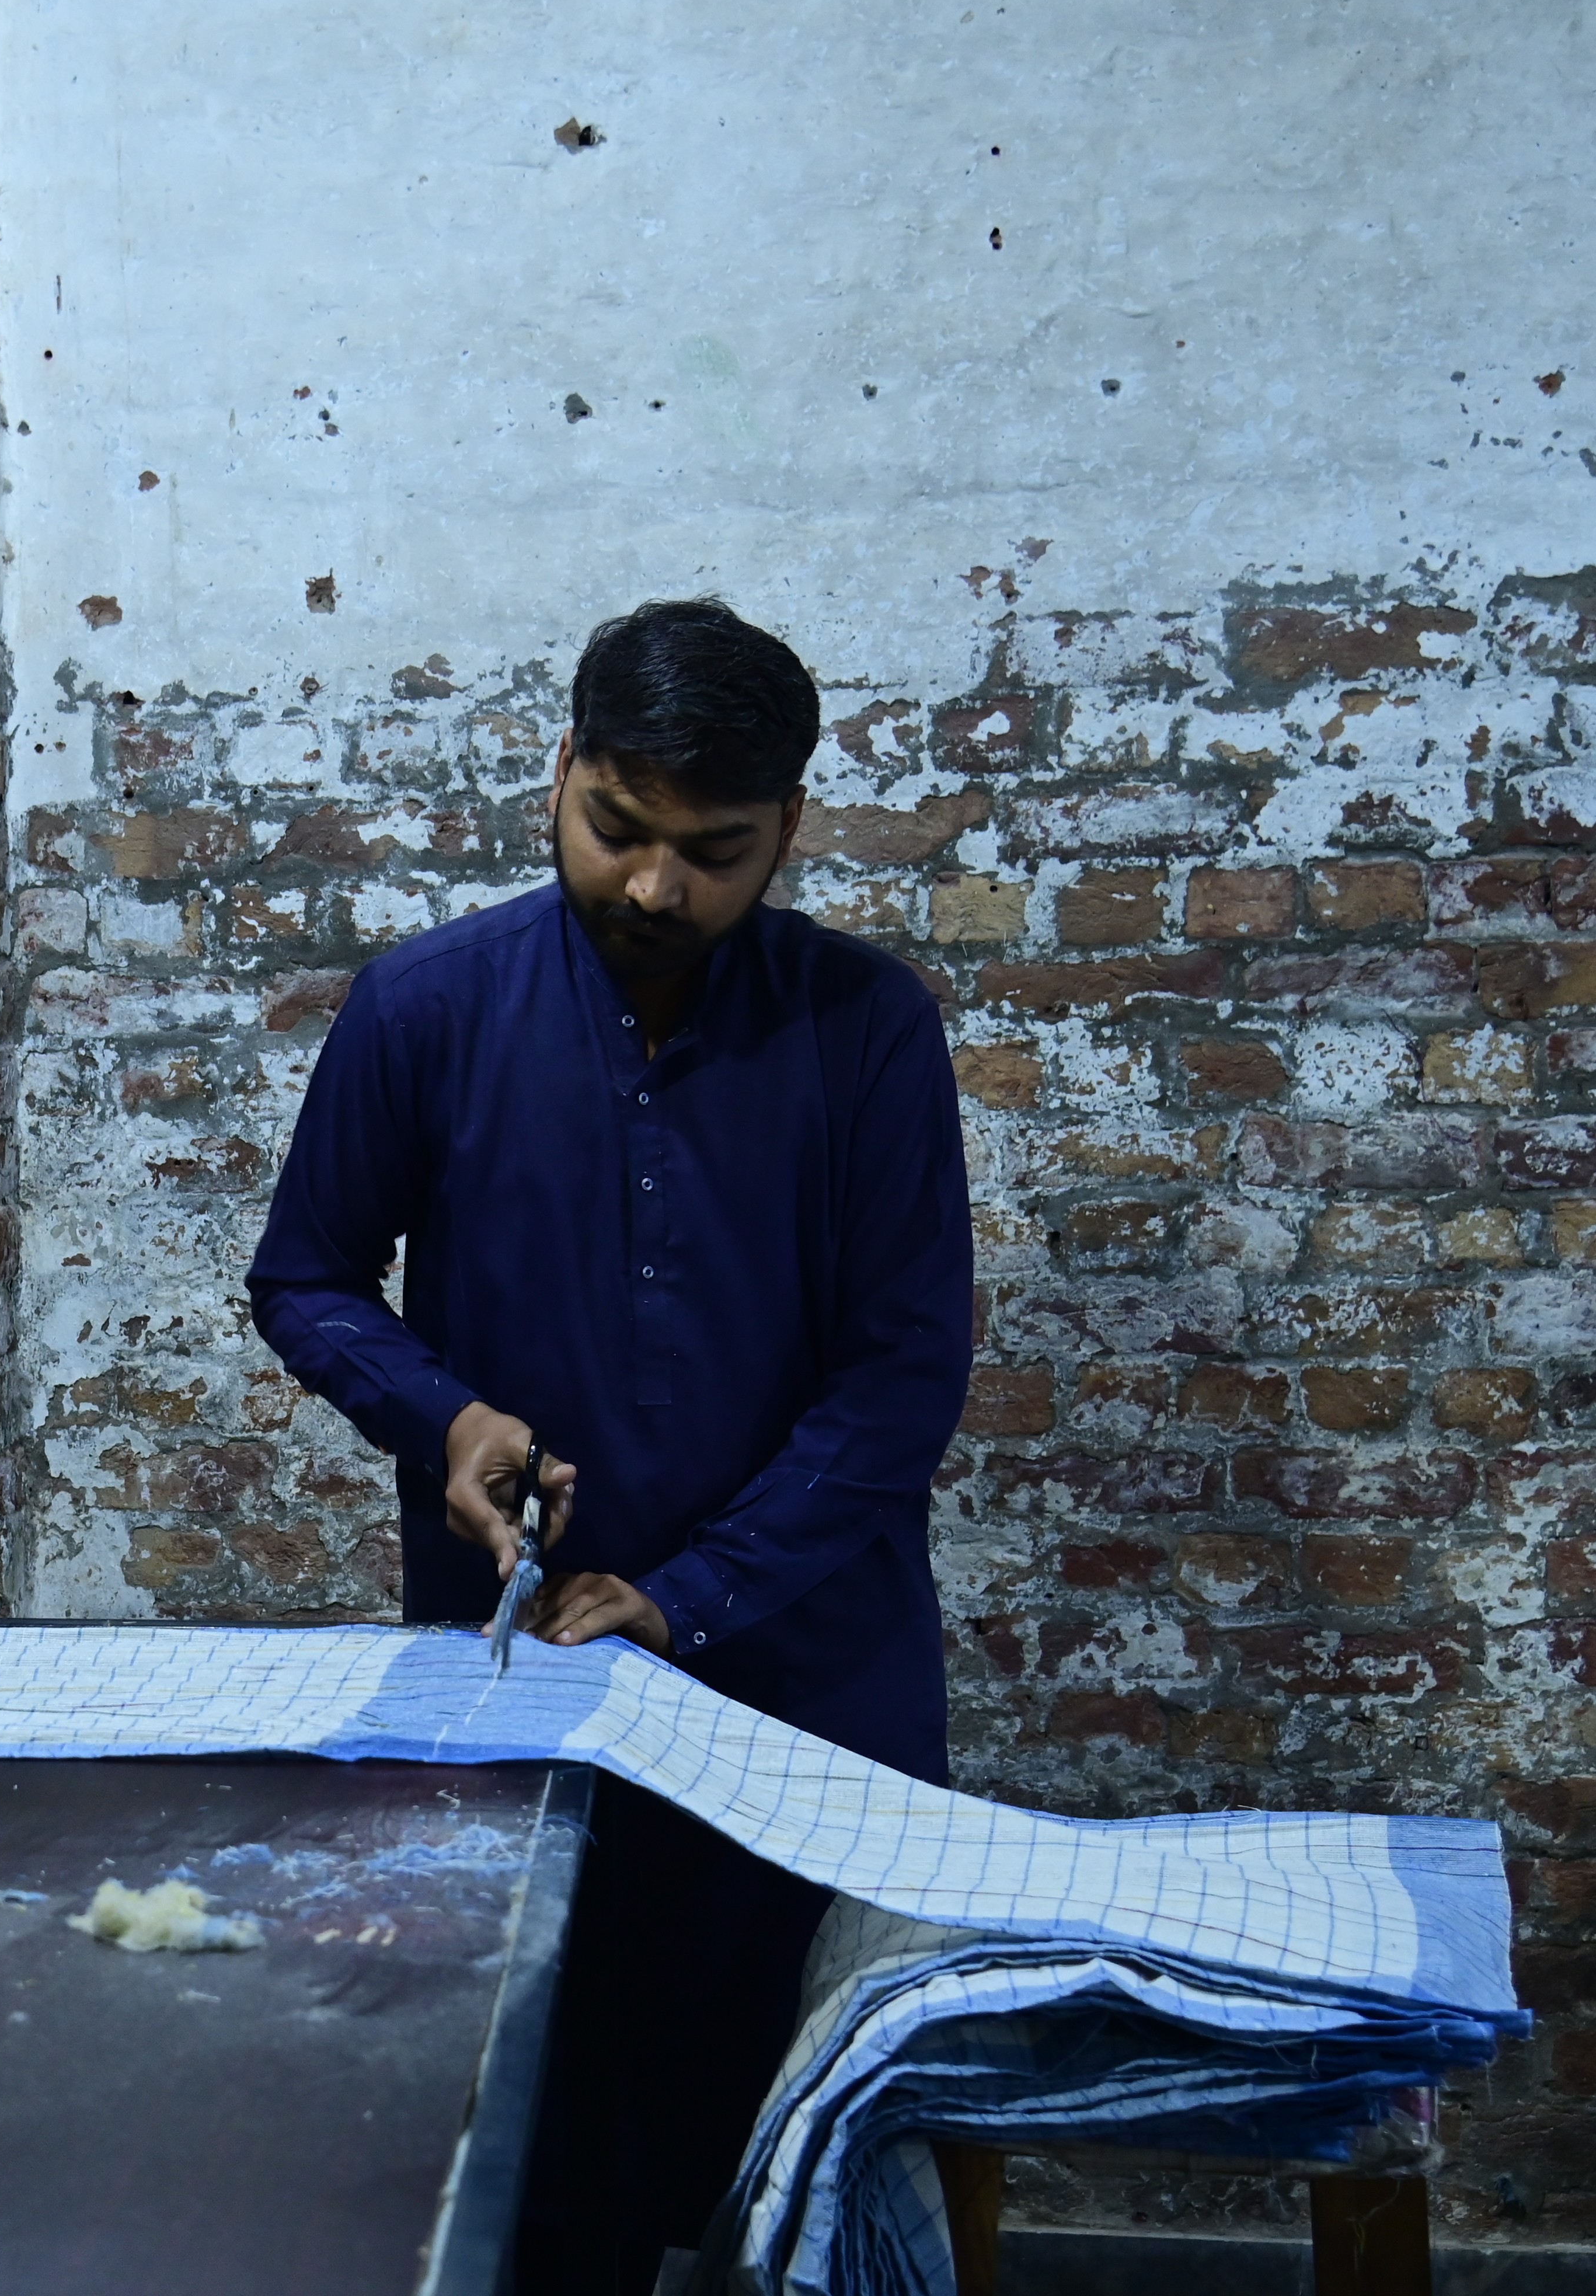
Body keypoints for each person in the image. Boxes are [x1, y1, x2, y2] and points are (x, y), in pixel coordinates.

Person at [245, 597, 975, 2292]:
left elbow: (901, 1379)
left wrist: (690, 1596)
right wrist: (446, 1416)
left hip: (813, 1701)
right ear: (559, 773)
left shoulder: (869, 1030)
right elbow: (306, 1278)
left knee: (803, 2182)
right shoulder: (425, 1008)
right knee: (533, 2168)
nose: (655, 890)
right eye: (617, 829)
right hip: (524, 1689)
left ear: (791, 825)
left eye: (715, 853)